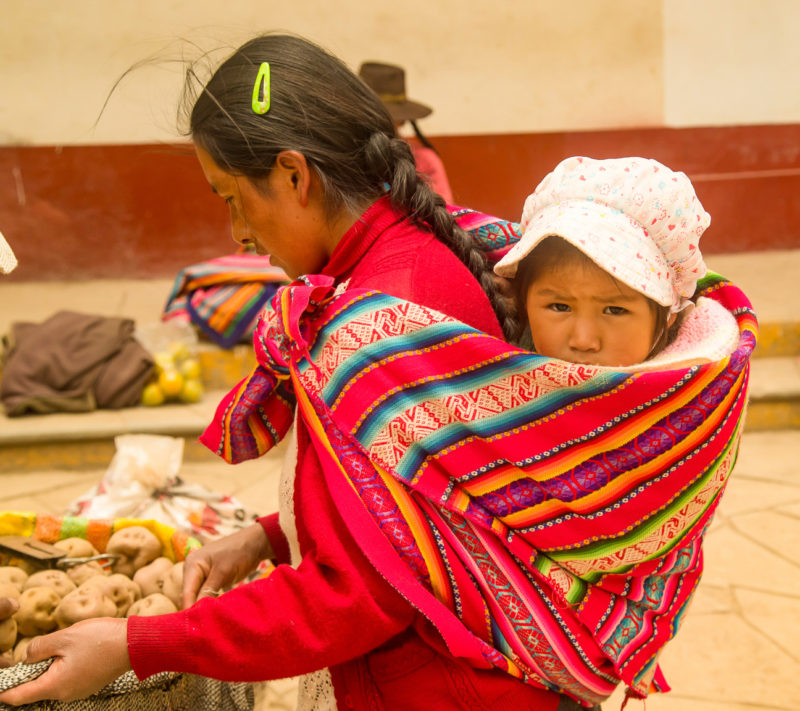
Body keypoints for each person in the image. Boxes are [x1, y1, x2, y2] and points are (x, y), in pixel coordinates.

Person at [0, 33, 570, 710]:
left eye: (232, 197)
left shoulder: (378, 323)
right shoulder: (410, 261)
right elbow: (414, 513)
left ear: (295, 176)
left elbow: (360, 593)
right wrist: (268, 534)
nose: (235, 232)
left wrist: (137, 641)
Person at [494, 155, 739, 369]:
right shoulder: (491, 378)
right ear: (523, 302)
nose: (583, 341)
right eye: (559, 306)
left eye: (615, 310)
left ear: (668, 316)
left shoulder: (699, 390)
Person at [358, 61, 454, 203]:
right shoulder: (344, 157)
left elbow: (444, 210)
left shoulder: (425, 160)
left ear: (401, 121)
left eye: (389, 118)